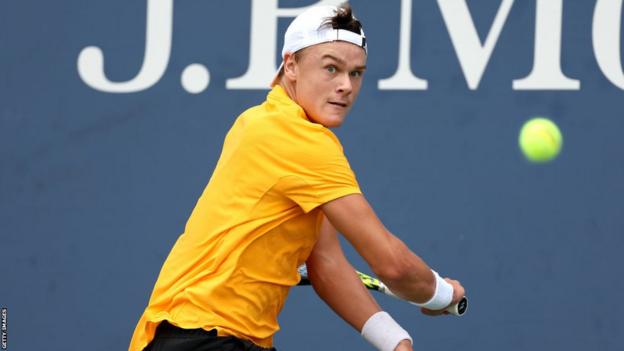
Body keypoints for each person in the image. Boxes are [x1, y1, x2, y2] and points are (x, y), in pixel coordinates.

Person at [129, 3, 465, 351]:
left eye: (356, 73)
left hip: (194, 338)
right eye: (331, 68)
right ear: (291, 65)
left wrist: (395, 340)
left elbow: (326, 263)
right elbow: (392, 265)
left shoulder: (262, 122)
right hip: (205, 338)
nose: (345, 86)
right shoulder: (299, 140)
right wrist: (440, 292)